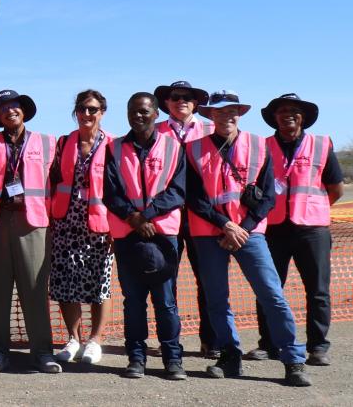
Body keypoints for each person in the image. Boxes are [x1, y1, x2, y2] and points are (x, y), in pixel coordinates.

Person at [184, 91, 310, 387]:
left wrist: (243, 227)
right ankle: (230, 356)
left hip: (249, 233)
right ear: (209, 115)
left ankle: (292, 359)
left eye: (232, 111)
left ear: (239, 113)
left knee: (272, 295)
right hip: (209, 233)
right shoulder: (193, 150)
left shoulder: (258, 145)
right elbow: (194, 198)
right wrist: (226, 225)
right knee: (216, 300)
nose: (226, 116)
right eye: (219, 111)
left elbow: (268, 197)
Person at [251, 93, 342, 366]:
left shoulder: (321, 145)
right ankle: (268, 344)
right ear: (274, 118)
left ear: (303, 117)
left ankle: (317, 347)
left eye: (294, 110)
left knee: (317, 290)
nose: (287, 114)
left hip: (312, 229)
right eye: (281, 111)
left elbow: (335, 188)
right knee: (268, 288)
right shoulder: (262, 147)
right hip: (273, 228)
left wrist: (313, 209)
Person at [102, 92, 187, 380]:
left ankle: (172, 359)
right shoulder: (113, 149)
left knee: (165, 301)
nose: (138, 116)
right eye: (133, 111)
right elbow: (110, 192)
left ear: (156, 114)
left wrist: (148, 216)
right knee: (133, 301)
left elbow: (177, 191)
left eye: (144, 111)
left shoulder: (174, 147)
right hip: (128, 236)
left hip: (163, 236)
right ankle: (136, 358)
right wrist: (134, 218)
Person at [0, 89, 60, 374]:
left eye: (15, 106)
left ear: (23, 111)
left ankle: (43, 352)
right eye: (3, 108)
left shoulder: (48, 143)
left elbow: (59, 182)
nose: (10, 111)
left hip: (33, 223)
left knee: (35, 290)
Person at [48, 90, 115, 366]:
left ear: (102, 112)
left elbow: (117, 188)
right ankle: (74, 338)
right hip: (65, 222)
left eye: (93, 109)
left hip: (99, 225)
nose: (87, 114)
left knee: (100, 283)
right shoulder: (63, 143)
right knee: (65, 284)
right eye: (83, 109)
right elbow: (52, 180)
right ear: (75, 111)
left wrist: (116, 227)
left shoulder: (113, 145)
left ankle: (95, 340)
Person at [154, 80, 216, 358]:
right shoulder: (154, 132)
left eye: (188, 97)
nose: (182, 101)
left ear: (196, 103)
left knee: (208, 280)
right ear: (166, 102)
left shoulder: (212, 130)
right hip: (166, 217)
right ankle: (170, 341)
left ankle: (211, 340)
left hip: (202, 217)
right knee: (167, 281)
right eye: (175, 97)